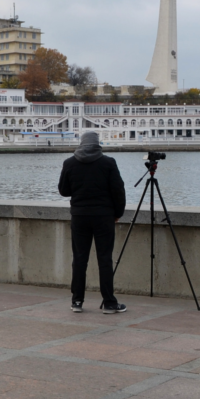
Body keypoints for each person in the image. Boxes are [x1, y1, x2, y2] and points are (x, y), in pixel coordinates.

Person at [58, 131, 127, 314]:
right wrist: (118, 213)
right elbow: (118, 191)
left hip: (79, 217)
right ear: (97, 144)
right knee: (104, 258)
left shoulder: (69, 163)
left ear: (81, 143)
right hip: (104, 216)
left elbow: (63, 191)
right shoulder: (108, 163)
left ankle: (77, 301)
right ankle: (109, 303)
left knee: (79, 258)